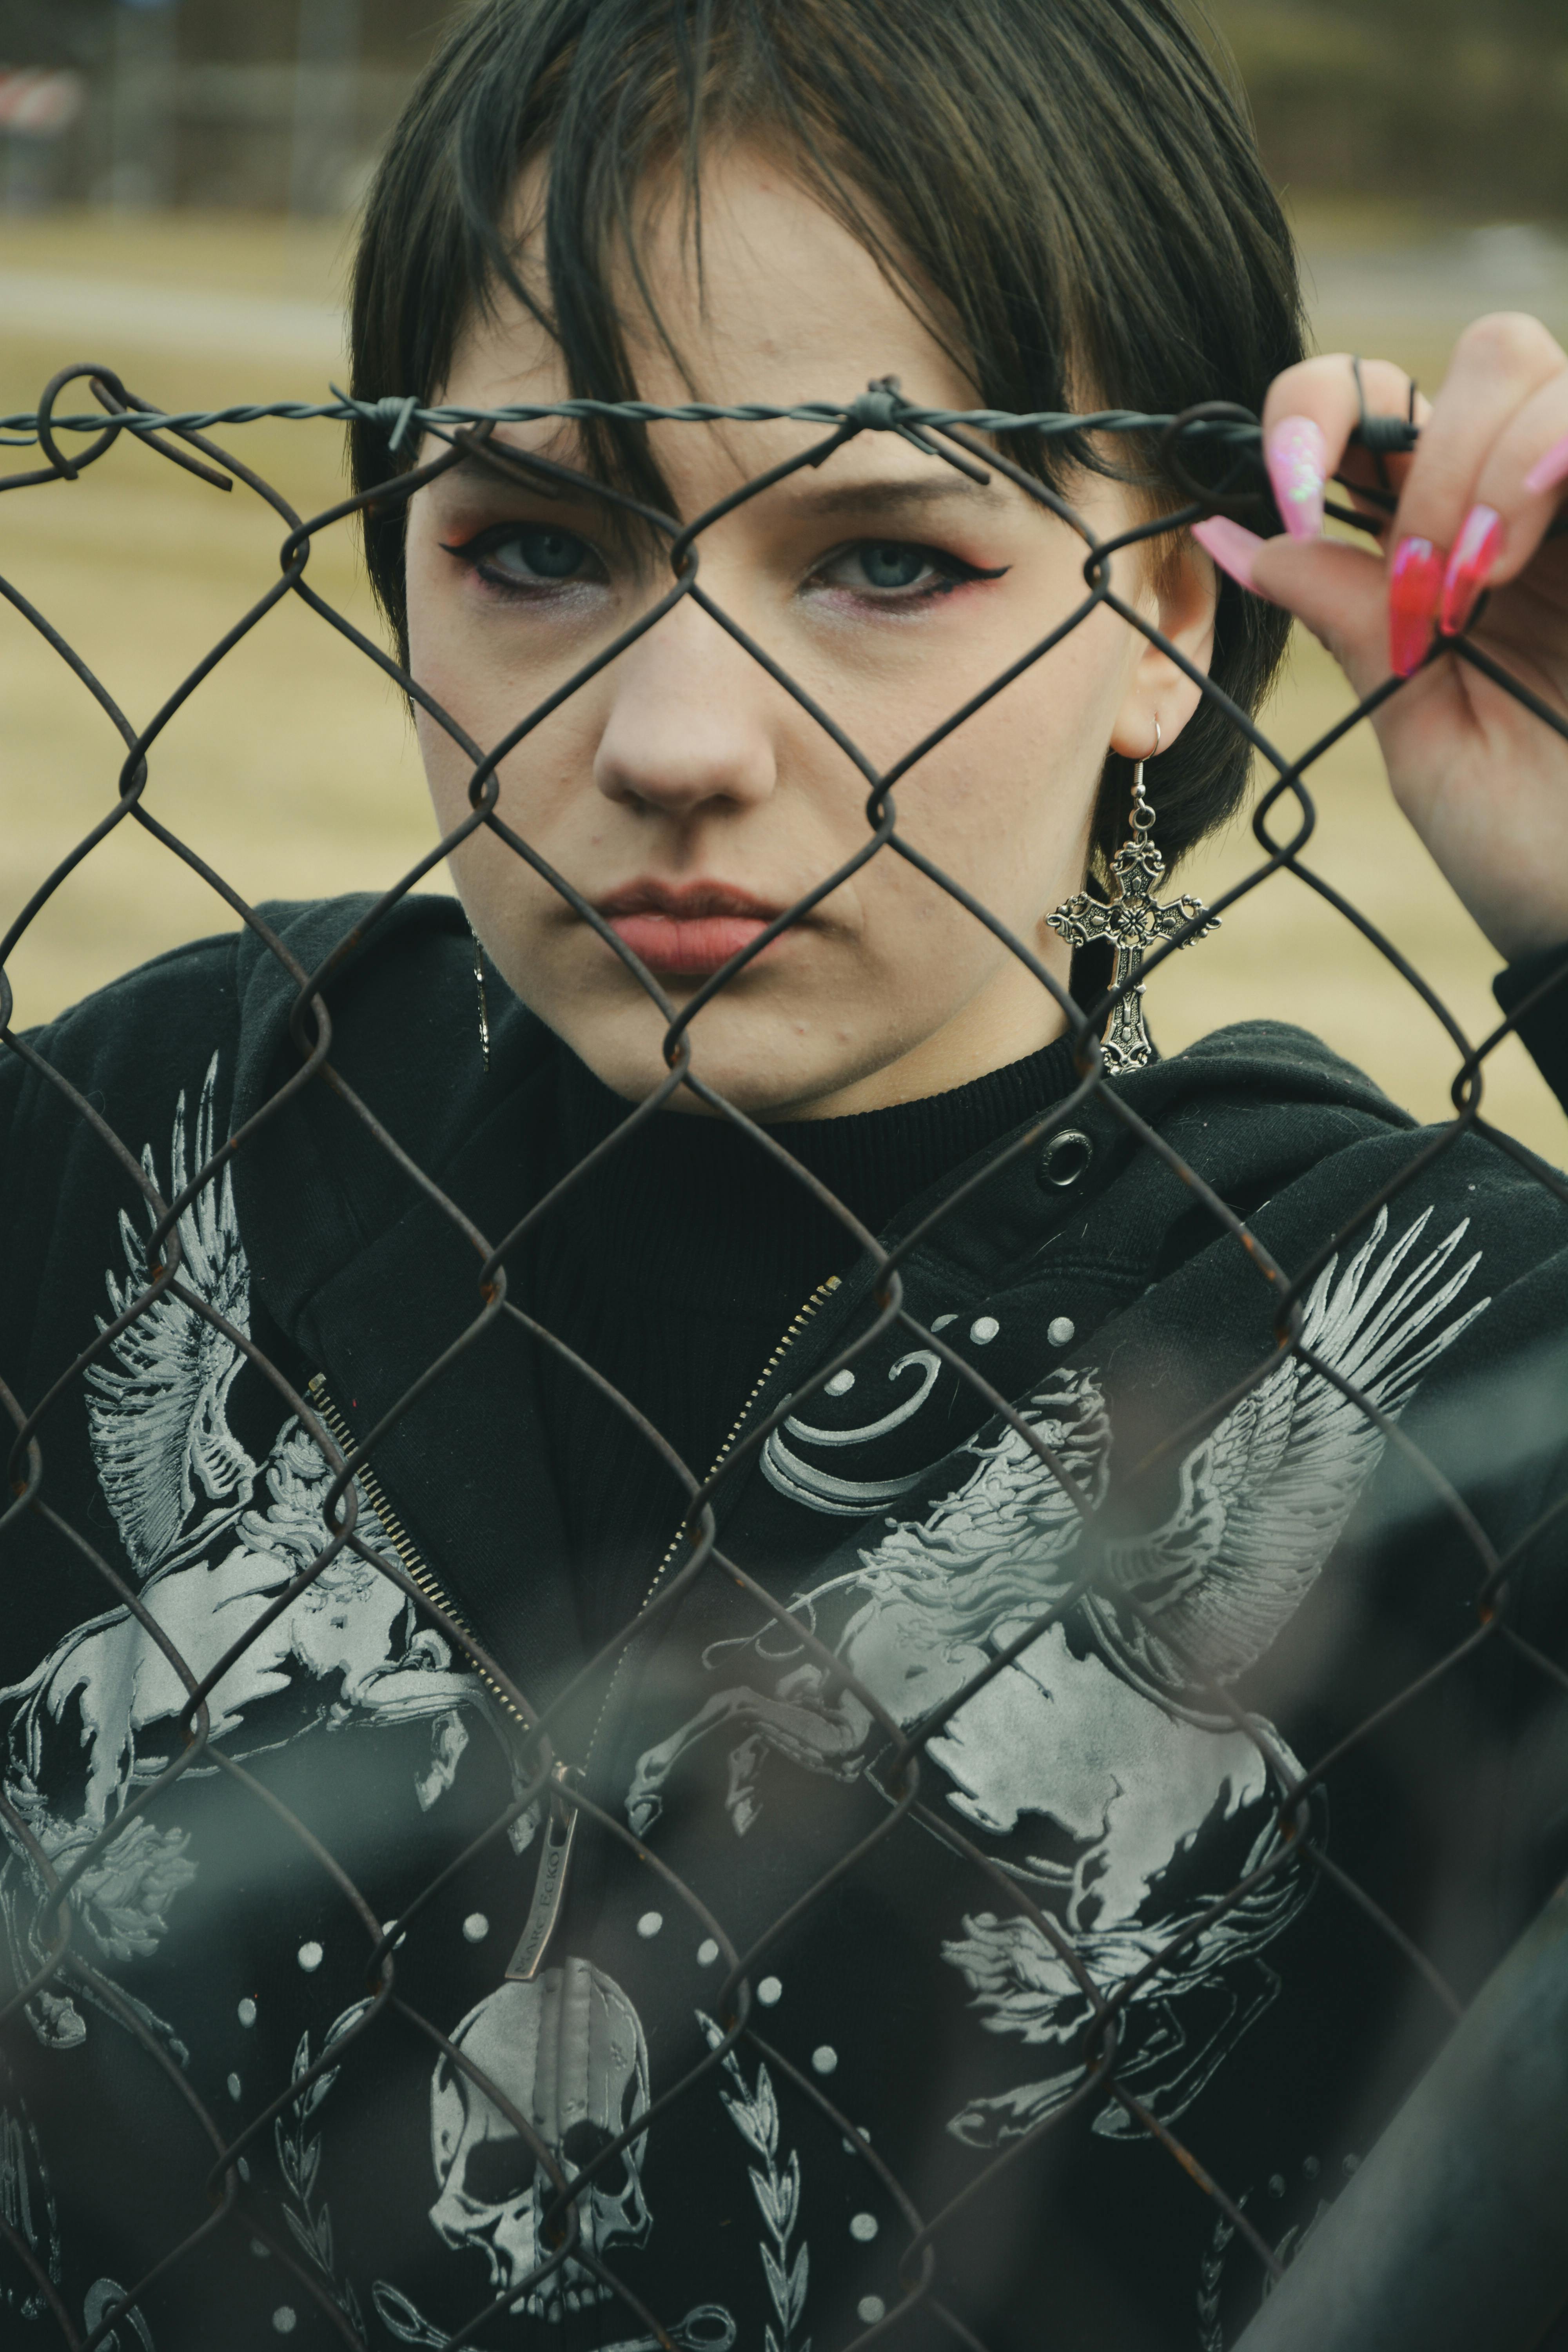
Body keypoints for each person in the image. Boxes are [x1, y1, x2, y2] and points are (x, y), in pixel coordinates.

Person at [2, 0, 1567, 2345]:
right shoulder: (160, 1130)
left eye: (890, 560)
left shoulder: (1432, 1341)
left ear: (1165, 610)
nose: (674, 744)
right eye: (532, 543)